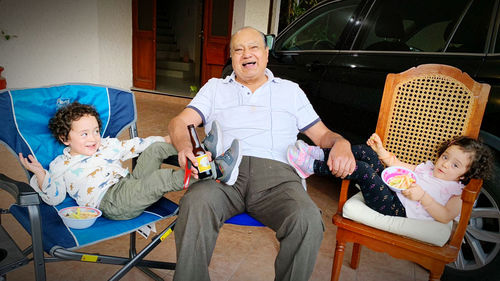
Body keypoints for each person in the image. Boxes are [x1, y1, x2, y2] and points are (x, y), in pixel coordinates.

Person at [168, 26, 355, 281]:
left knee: (307, 220)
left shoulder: (290, 91)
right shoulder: (214, 88)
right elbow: (180, 122)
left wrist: (341, 143)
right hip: (224, 175)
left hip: (278, 179)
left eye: (253, 47)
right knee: (195, 204)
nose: (246, 54)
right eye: (238, 49)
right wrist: (185, 146)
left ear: (266, 54)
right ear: (232, 58)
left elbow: (323, 136)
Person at [19, 101, 240, 220]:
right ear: (64, 138)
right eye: (84, 134)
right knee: (161, 177)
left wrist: (167, 138)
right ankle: (214, 171)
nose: (93, 138)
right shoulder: (60, 165)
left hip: (129, 184)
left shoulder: (104, 145)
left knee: (154, 149)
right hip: (113, 203)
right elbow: (55, 197)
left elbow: (135, 145)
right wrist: (40, 173)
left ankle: (198, 151)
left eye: (95, 131)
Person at [287, 134, 494, 223]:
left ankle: (312, 167)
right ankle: (320, 154)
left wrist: (423, 197)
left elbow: (445, 216)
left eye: (455, 165)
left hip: (396, 208)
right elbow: (402, 167)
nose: (445, 164)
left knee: (362, 169)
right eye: (445, 156)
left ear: (466, 174)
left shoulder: (457, 192)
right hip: (391, 190)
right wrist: (382, 152)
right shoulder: (431, 168)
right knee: (366, 152)